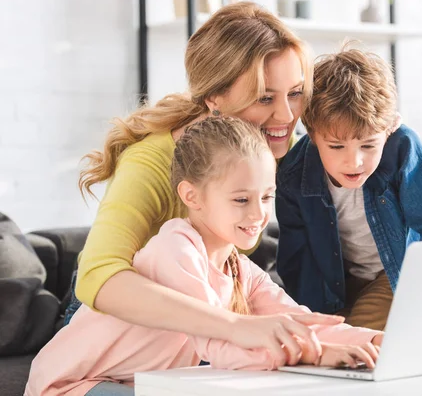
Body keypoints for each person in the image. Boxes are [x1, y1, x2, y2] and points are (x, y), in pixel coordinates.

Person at [65, 1, 341, 364]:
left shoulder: (273, 143)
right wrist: (230, 325)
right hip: (120, 334)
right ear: (214, 98)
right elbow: (98, 276)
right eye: (264, 98)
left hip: (208, 325)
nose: (287, 116)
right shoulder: (151, 162)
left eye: (295, 93)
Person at [26, 117, 384, 396]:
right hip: (72, 386)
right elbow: (221, 348)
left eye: (266, 197)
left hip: (135, 384)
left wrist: (372, 341)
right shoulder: (175, 250)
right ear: (192, 196)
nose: (259, 214)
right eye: (241, 199)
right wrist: (315, 355)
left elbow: (299, 321)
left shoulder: (239, 268)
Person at [275, 47, 422, 331]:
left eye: (368, 145)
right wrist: (314, 320)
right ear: (313, 134)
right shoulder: (293, 173)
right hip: (335, 284)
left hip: (394, 275)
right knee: (325, 338)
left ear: (389, 128)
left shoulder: (401, 147)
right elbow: (297, 262)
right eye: (336, 146)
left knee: (358, 333)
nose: (354, 161)